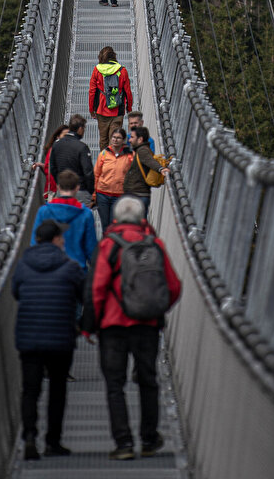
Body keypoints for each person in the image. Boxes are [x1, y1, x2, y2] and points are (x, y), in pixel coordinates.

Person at [88, 197, 181, 460]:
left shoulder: (108, 245)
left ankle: (124, 443)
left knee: (115, 384)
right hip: (147, 325)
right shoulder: (156, 244)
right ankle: (150, 439)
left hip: (113, 325)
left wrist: (92, 324)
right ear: (142, 219)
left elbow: (97, 287)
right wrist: (155, 309)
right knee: (148, 381)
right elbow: (173, 286)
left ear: (115, 219)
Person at [13, 219, 84, 460]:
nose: (63, 241)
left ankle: (30, 436)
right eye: (61, 237)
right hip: (60, 337)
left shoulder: (23, 265)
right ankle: (53, 441)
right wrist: (86, 326)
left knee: (30, 390)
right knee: (57, 389)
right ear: (55, 240)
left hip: (29, 336)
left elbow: (15, 292)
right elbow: (84, 295)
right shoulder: (70, 266)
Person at [32, 170, 97, 269]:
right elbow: (91, 248)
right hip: (76, 269)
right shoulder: (85, 214)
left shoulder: (44, 211)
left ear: (58, 187)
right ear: (77, 188)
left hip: (49, 267)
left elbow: (35, 242)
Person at [89, 46, 132, 152]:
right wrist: (129, 108)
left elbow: (92, 92)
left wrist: (92, 110)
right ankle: (112, 162)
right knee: (114, 140)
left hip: (101, 110)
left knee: (103, 139)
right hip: (117, 110)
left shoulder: (97, 70)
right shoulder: (122, 71)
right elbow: (128, 92)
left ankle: (104, 162)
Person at [49, 114, 95, 206]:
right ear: (80, 129)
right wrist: (91, 190)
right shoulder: (82, 147)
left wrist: (60, 183)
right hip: (80, 191)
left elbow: (53, 168)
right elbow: (88, 172)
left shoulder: (56, 145)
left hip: (62, 190)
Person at [123, 126, 167, 216]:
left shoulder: (142, 151)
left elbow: (150, 161)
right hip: (138, 195)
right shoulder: (142, 149)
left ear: (140, 139)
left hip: (138, 196)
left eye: (132, 137)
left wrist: (161, 169)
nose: (130, 140)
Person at [93, 127, 131, 232]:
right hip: (102, 194)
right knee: (105, 225)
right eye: (113, 137)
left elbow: (132, 175)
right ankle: (107, 246)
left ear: (123, 140)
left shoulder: (129, 156)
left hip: (119, 195)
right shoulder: (104, 154)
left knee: (114, 225)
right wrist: (94, 194)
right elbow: (96, 174)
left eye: (118, 138)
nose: (115, 140)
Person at [32, 124, 69, 200]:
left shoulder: (53, 149)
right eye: (65, 135)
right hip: (57, 192)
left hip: (53, 192)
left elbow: (49, 168)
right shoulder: (58, 151)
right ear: (58, 136)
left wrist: (42, 165)